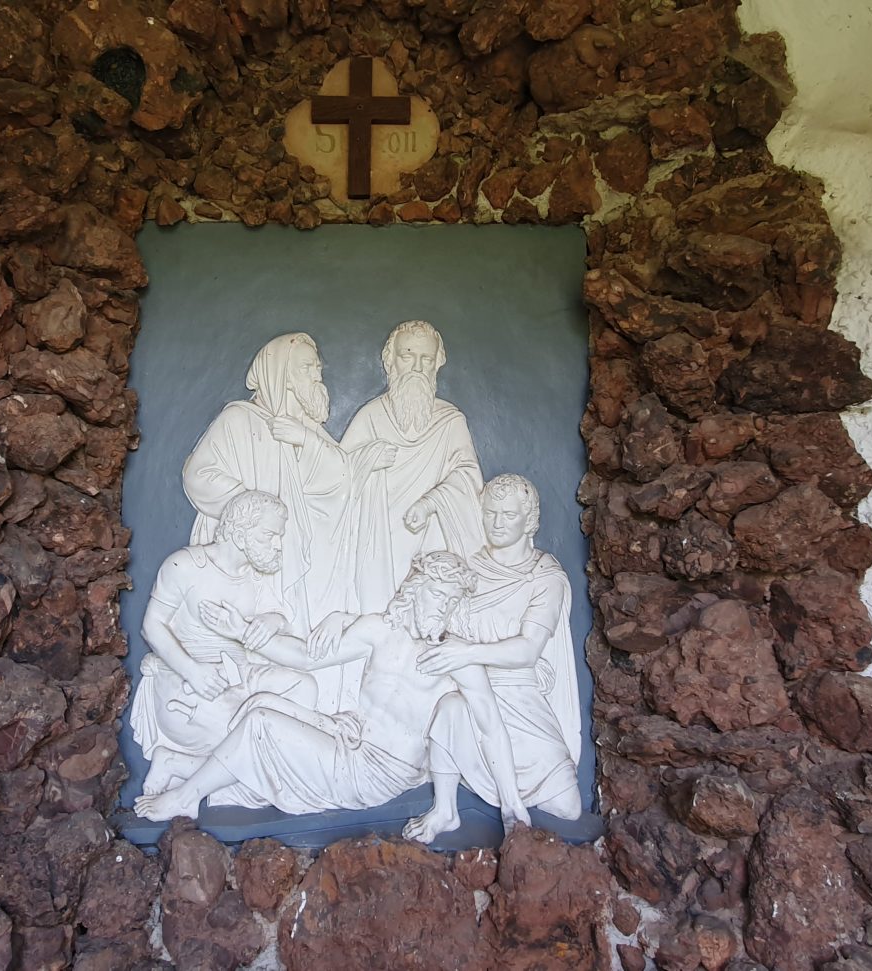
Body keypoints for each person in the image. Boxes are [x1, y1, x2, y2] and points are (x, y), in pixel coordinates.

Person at [134, 552, 490, 820]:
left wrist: (513, 807)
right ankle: (179, 763)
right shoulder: (379, 629)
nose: (443, 607)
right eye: (437, 594)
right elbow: (306, 657)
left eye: (452, 600)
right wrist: (241, 631)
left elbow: (489, 723)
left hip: (377, 773)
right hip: (350, 742)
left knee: (261, 728)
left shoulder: (454, 654)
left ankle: (185, 797)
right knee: (263, 722)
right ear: (415, 591)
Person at [182, 333, 387, 708]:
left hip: (294, 549)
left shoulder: (304, 427)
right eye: (306, 367)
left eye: (316, 367)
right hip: (256, 551)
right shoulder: (239, 419)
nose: (316, 374)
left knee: (291, 628)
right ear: (282, 374)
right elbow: (199, 475)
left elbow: (336, 479)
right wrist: (251, 510)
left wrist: (306, 441)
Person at [402, 474, 584, 843]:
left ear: (529, 520)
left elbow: (529, 649)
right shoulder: (468, 569)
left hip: (521, 698)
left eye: (509, 514)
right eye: (490, 513)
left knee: (568, 807)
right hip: (470, 685)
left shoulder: (543, 577)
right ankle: (444, 808)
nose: (498, 522)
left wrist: (469, 651)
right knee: (450, 708)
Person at [129, 491, 318, 803]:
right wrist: (193, 672)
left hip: (240, 674)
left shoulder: (258, 576)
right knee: (243, 734)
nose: (277, 544)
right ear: (241, 533)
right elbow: (152, 625)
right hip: (190, 681)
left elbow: (284, 620)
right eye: (270, 535)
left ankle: (181, 765)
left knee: (304, 687)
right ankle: (175, 761)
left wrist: (273, 620)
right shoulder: (185, 565)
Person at [332, 321, 485, 703]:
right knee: (377, 621)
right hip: (377, 542)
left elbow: (468, 480)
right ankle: (364, 700)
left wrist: (432, 500)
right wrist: (366, 459)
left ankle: (419, 700)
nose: (416, 367)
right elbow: (334, 480)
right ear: (390, 362)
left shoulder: (451, 422)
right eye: (407, 356)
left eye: (425, 359)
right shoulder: (370, 417)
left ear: (438, 364)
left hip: (431, 545)